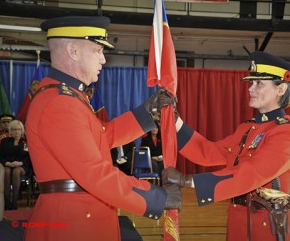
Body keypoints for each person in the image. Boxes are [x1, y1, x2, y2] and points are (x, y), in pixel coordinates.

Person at [24, 15, 181, 241]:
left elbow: (102, 136)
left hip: (82, 217)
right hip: (73, 227)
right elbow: (95, 173)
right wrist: (156, 197)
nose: (103, 60)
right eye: (98, 50)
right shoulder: (59, 103)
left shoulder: (68, 97)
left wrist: (146, 114)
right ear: (73, 51)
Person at [163, 51, 290, 240]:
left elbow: (250, 173)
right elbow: (209, 151)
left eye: (259, 84)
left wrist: (186, 180)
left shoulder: (288, 133)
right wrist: (174, 121)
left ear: (281, 89)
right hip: (239, 218)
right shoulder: (247, 128)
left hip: (269, 225)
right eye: (251, 83)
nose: (250, 89)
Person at [0, 120, 30, 210]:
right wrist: (7, 163)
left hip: (22, 165)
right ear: (10, 131)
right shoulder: (5, 141)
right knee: (7, 171)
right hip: (8, 164)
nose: (16, 131)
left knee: (16, 171)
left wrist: (20, 163)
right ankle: (7, 202)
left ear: (22, 130)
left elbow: (29, 157)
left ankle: (14, 202)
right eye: (14, 129)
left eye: (19, 129)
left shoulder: (25, 142)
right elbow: (0, 156)